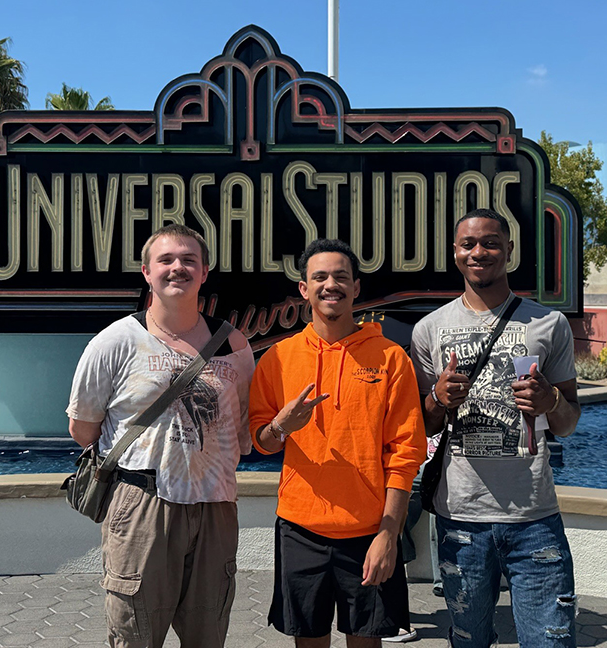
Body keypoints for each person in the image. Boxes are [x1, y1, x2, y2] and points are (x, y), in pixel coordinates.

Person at [66, 224, 254, 648]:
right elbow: (83, 428)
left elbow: (241, 429)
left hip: (215, 506)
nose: (177, 268)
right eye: (166, 260)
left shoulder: (234, 345)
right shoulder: (116, 341)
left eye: (189, 260)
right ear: (146, 272)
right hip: (142, 505)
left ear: (205, 271)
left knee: (208, 634)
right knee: (136, 634)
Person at [409, 208, 581, 648]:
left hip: (534, 517)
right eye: (468, 244)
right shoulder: (429, 329)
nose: (478, 252)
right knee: (468, 641)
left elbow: (568, 423)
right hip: (460, 516)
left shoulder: (549, 324)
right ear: (454, 252)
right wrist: (437, 399)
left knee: (551, 642)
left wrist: (551, 400)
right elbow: (423, 424)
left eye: (489, 243)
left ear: (509, 250)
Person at [249, 238, 427, 648]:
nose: (331, 285)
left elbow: (405, 453)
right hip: (300, 529)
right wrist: (281, 425)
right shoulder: (278, 358)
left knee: (365, 641)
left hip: (369, 531)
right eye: (320, 277)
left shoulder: (389, 358)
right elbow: (261, 442)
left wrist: (389, 533)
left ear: (356, 287)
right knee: (308, 640)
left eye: (341, 277)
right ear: (303, 288)